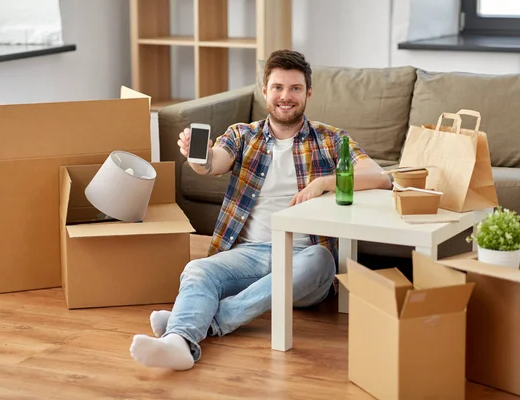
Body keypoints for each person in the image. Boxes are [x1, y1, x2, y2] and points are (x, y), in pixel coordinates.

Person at [130, 49, 392, 370]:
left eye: (295, 88)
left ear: (308, 93)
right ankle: (178, 341)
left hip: (304, 259)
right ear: (265, 91)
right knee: (198, 270)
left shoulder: (331, 139)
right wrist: (198, 157)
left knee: (321, 259)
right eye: (278, 87)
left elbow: (381, 177)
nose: (286, 96)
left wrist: (324, 182)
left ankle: (199, 321)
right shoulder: (243, 135)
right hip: (250, 254)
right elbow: (213, 163)